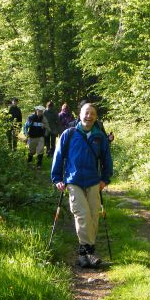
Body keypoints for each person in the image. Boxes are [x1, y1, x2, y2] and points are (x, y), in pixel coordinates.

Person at [51, 102, 113, 267]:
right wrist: (57, 178)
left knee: (93, 216)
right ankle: (90, 253)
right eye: (86, 113)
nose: (89, 116)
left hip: (94, 181)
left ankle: (82, 255)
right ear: (79, 114)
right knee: (83, 214)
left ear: (96, 117)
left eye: (92, 114)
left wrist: (105, 179)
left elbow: (107, 160)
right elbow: (58, 156)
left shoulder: (99, 137)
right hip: (74, 180)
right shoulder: (69, 134)